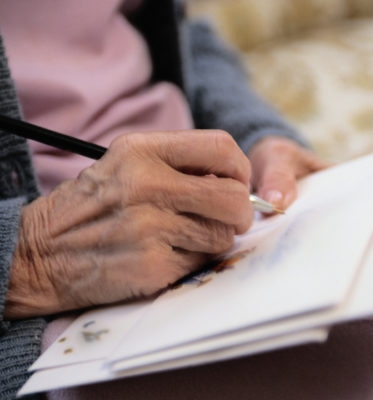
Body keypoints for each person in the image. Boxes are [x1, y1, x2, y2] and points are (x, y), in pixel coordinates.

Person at [0, 0, 331, 398]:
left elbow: (183, 37)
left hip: (204, 219)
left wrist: (255, 132)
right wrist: (27, 256)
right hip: (53, 319)